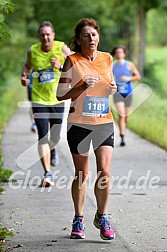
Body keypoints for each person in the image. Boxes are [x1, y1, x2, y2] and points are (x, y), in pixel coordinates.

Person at [56, 18, 117, 240]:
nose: (91, 39)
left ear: (98, 37)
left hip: (103, 122)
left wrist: (112, 88)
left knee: (105, 172)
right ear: (79, 40)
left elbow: (109, 86)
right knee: (82, 174)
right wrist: (81, 86)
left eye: (93, 34)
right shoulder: (72, 61)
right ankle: (79, 218)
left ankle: (102, 216)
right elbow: (60, 94)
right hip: (79, 123)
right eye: (85, 36)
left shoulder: (107, 58)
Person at [21, 21, 71, 186]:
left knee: (55, 137)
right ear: (38, 36)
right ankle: (47, 173)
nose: (45, 37)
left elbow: (77, 66)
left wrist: (61, 66)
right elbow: (27, 67)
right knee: (43, 136)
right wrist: (24, 76)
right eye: (42, 34)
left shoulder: (61, 48)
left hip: (57, 99)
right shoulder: (33, 51)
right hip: (39, 100)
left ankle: (53, 149)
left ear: (53, 35)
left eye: (48, 34)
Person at [111, 45, 141, 146]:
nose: (119, 54)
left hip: (128, 93)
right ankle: (122, 137)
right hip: (118, 92)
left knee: (126, 116)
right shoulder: (113, 65)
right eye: (117, 52)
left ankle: (123, 129)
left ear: (124, 53)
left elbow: (138, 76)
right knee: (121, 115)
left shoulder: (129, 65)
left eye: (121, 52)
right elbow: (108, 77)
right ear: (115, 54)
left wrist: (128, 78)